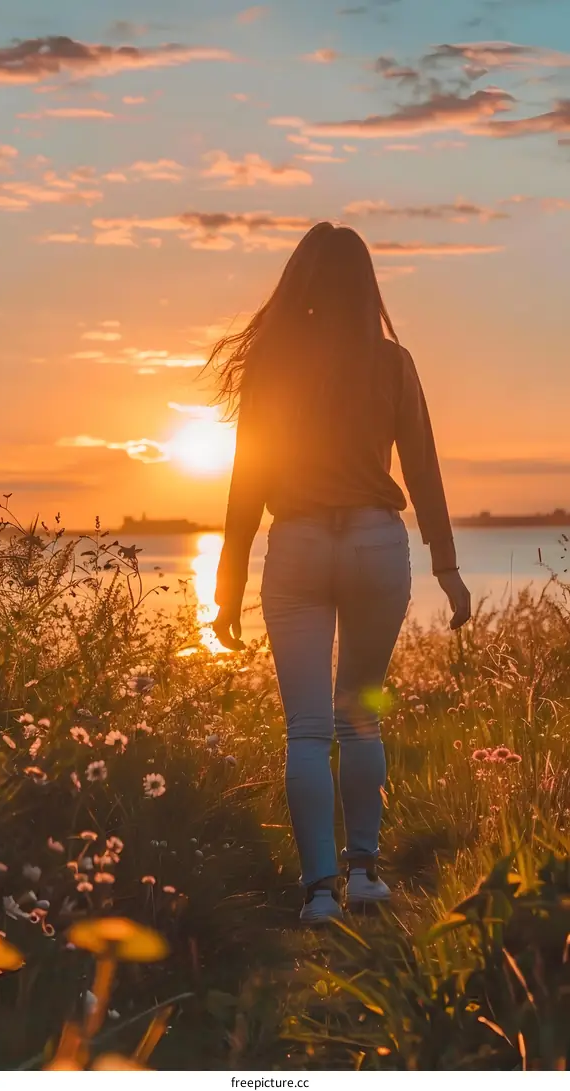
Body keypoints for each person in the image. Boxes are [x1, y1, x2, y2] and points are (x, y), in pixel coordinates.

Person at [205, 222, 471, 924]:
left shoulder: (271, 365)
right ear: (365, 283)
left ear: (302, 283)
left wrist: (227, 585)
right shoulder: (392, 361)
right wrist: (447, 567)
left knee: (308, 731)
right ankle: (365, 874)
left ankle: (319, 891)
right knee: (360, 720)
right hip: (374, 543)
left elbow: (246, 483)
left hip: (295, 545)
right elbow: (423, 467)